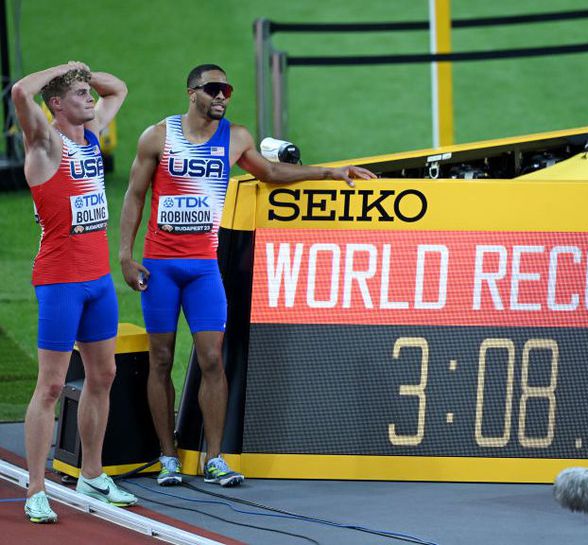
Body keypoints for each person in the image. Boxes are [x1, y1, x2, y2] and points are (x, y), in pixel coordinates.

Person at [118, 64, 375, 488]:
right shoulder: (158, 137)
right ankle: (167, 456)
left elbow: (270, 174)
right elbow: (135, 194)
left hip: (203, 268)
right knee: (160, 360)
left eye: (228, 90)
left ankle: (214, 458)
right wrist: (126, 257)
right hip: (161, 266)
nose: (222, 96)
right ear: (192, 92)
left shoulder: (236, 138)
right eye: (214, 89)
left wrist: (330, 172)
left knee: (213, 360)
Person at [12, 62, 137, 523]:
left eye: (90, 94)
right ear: (56, 106)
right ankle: (36, 488)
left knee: (103, 377)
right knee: (50, 385)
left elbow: (118, 85)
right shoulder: (45, 144)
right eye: (80, 94)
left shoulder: (91, 133)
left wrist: (83, 73)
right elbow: (21, 91)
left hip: (97, 281)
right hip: (60, 281)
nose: (91, 98)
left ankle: (91, 473)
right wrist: (66, 70)